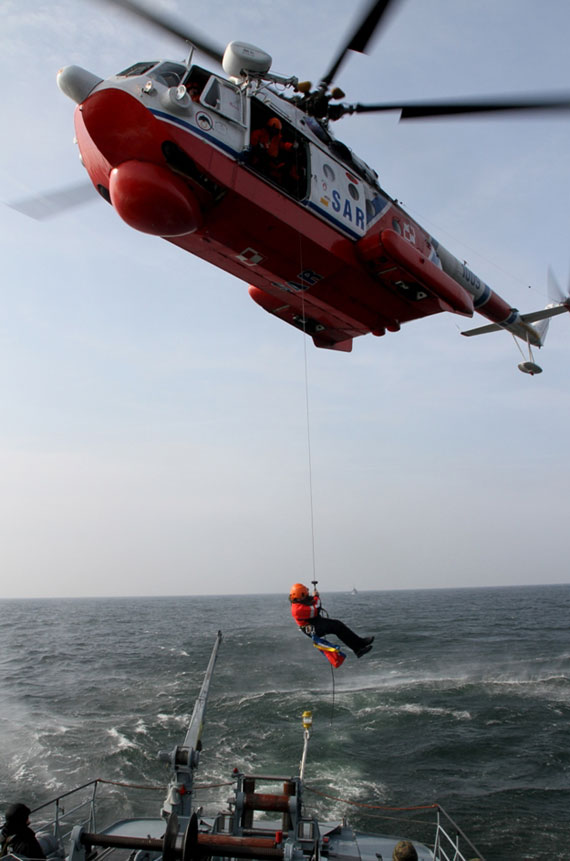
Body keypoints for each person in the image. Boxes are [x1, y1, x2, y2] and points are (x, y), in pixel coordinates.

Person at [289, 583, 374, 658]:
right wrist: (316, 596)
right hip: (312, 628)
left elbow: (310, 602)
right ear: (300, 596)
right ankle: (358, 649)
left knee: (338, 625)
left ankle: (360, 644)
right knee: (337, 626)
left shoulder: (298, 600)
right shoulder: (297, 609)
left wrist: (313, 597)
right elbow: (316, 607)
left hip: (315, 622)